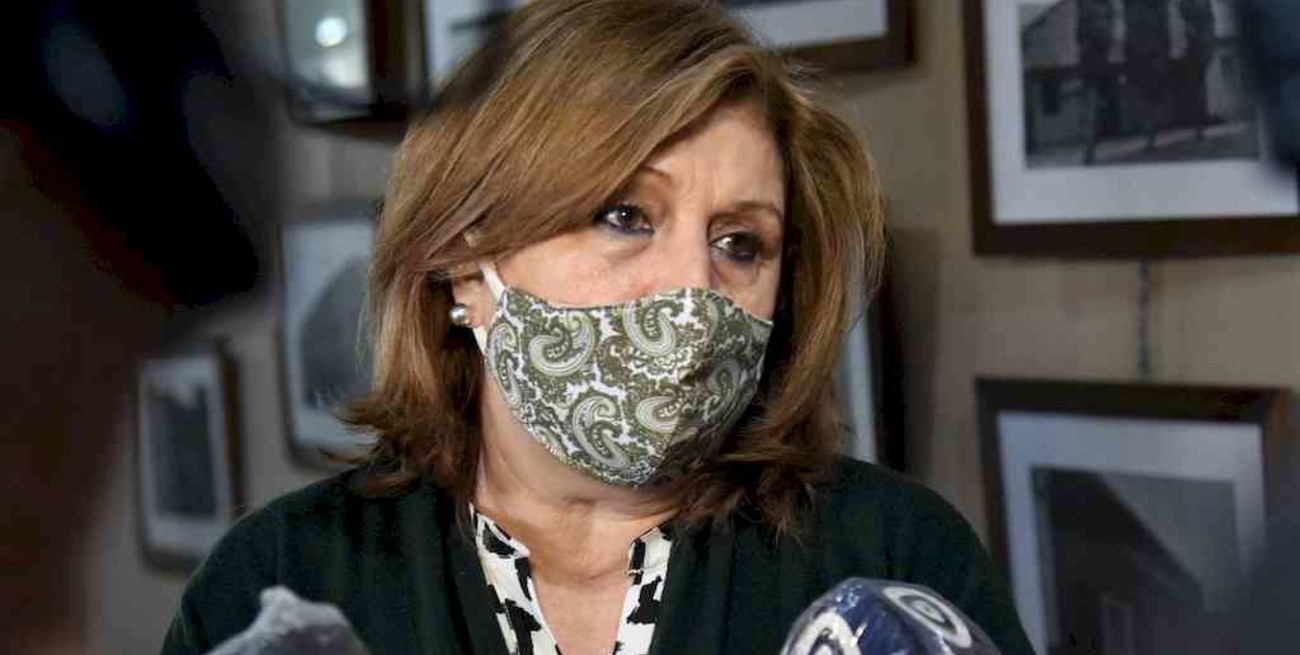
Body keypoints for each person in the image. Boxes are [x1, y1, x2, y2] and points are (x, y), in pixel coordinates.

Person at [160, 1, 1034, 654]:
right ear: (466, 262)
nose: (692, 289)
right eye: (625, 216)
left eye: (740, 242)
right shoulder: (281, 582)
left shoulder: (894, 555)